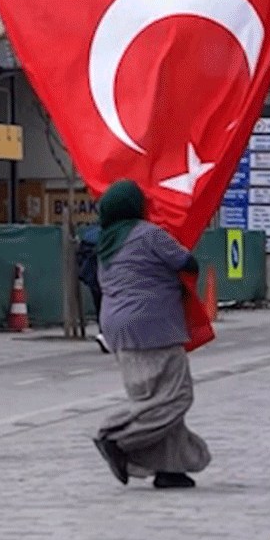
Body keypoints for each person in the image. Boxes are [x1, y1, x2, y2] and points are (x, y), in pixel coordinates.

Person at [92, 180, 211, 489]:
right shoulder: (148, 234)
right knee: (175, 396)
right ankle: (116, 437)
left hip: (117, 327)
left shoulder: (105, 241)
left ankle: (169, 469)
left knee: (149, 398)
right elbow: (186, 261)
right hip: (153, 324)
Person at [76, 223, 108, 353]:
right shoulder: (118, 235)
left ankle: (103, 333)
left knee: (99, 306)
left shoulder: (90, 235)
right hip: (109, 276)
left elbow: (80, 256)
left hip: (93, 276)